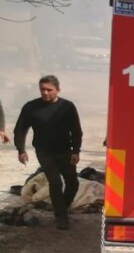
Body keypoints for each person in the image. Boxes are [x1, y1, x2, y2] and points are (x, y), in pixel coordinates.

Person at [13, 75, 83, 231]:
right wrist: (21, 150)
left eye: (49, 90)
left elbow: (76, 130)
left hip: (65, 151)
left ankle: (62, 207)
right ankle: (61, 217)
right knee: (55, 182)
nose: (45, 93)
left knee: (73, 183)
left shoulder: (67, 107)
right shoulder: (31, 107)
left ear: (58, 90)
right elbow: (20, 129)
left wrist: (76, 150)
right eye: (42, 89)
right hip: (44, 152)